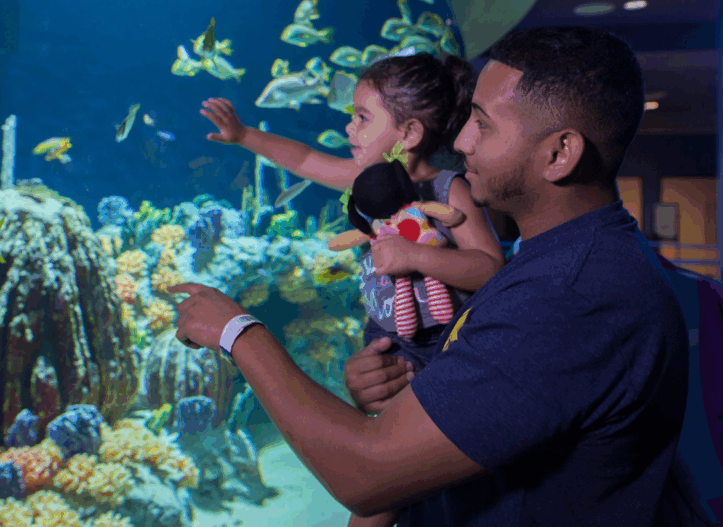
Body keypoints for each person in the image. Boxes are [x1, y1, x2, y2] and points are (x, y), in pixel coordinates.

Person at [169, 26, 690, 527]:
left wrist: (238, 331)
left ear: (559, 154)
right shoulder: (552, 260)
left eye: (482, 123)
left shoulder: (570, 297)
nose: (461, 141)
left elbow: (367, 475)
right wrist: (390, 386)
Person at [200, 53, 505, 372]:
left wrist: (416, 256)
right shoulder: (366, 180)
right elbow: (305, 160)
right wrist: (243, 135)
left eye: (362, 117)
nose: (349, 127)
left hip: (446, 338)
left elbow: (490, 267)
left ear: (409, 133)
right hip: (384, 335)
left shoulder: (448, 190)